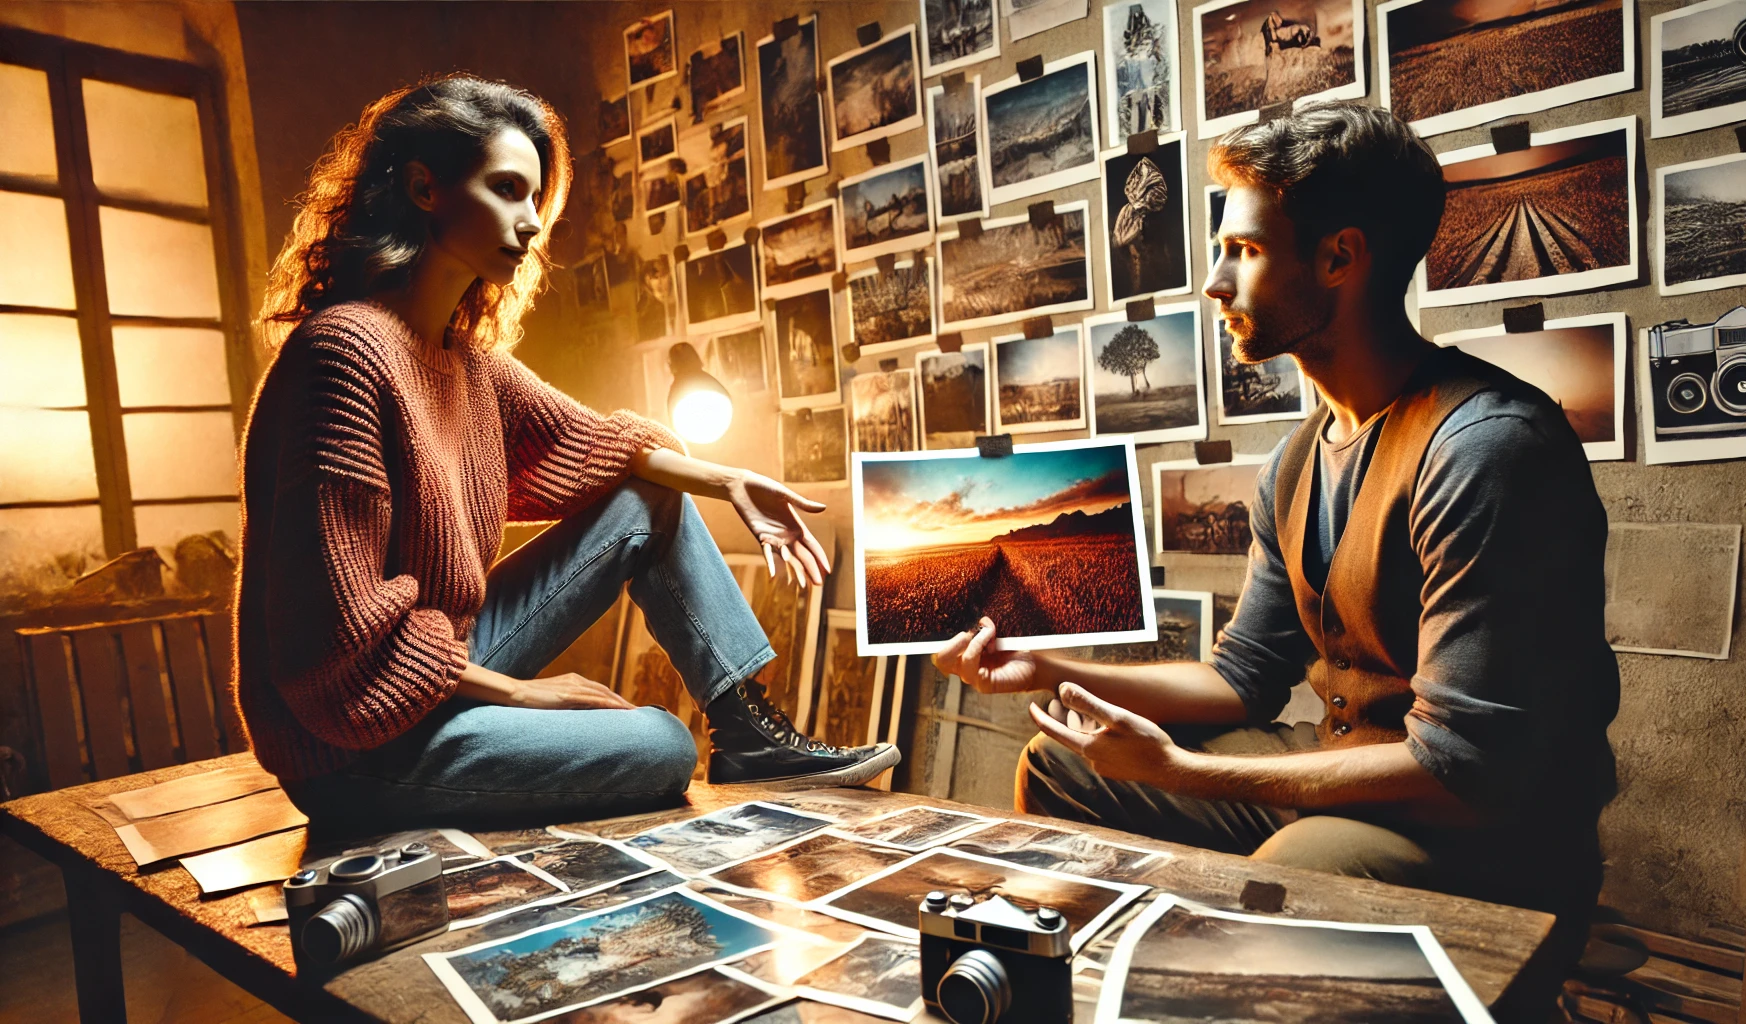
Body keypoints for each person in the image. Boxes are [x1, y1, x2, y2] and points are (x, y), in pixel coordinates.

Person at [934, 102, 1617, 991]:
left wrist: (1182, 772)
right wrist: (1050, 666)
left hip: (1488, 837)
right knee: (1061, 763)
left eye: (1245, 252)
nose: (1216, 283)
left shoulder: (1488, 448)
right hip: (1340, 768)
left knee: (1296, 865)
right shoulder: (1299, 455)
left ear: (1340, 256)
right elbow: (1239, 678)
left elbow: (1465, 773)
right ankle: (1112, 987)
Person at [237, 75, 895, 836]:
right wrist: (525, 695)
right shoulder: (343, 356)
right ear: (425, 186)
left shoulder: (466, 360)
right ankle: (703, 740)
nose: (528, 225)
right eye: (508, 190)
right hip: (352, 745)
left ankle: (747, 730)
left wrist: (729, 480)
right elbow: (338, 649)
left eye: (534, 201)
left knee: (645, 499)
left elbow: (601, 446)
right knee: (661, 746)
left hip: (433, 664)